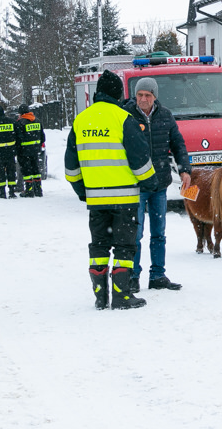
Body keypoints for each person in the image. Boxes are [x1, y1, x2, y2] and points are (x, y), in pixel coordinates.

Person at [66, 70, 159, 310]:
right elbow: (140, 159)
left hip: (96, 201)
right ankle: (121, 296)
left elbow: (71, 166)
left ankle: (100, 296)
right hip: (125, 198)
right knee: (124, 247)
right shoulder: (123, 118)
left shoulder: (81, 120)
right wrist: (150, 183)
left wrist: (82, 190)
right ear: (118, 93)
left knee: (98, 247)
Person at [123, 77, 191, 292]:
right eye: (140, 95)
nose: (143, 99)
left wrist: (184, 169)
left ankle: (158, 275)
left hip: (160, 184)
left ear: (155, 96)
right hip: (136, 185)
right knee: (136, 234)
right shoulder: (126, 116)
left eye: (148, 95)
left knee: (159, 233)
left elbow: (178, 144)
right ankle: (133, 276)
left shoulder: (165, 115)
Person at [16, 104, 45, 197]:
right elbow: (42, 137)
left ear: (21, 113)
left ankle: (29, 190)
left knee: (26, 171)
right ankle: (38, 190)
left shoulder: (20, 123)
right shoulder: (37, 121)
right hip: (35, 151)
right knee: (36, 169)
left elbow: (18, 138)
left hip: (24, 151)